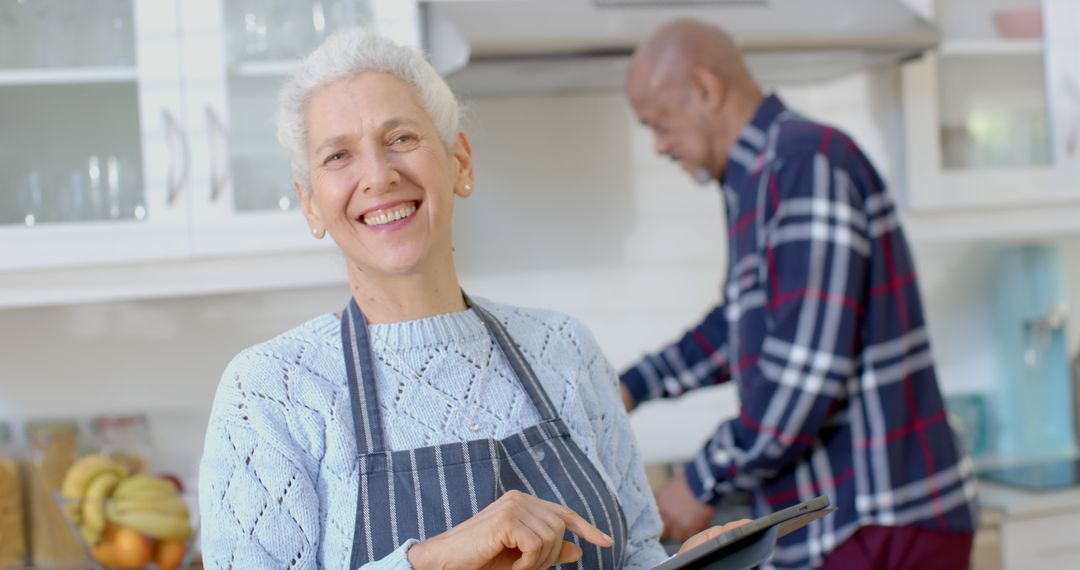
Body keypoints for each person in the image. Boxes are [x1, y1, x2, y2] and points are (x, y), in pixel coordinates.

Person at [198, 28, 748, 570]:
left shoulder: (565, 349)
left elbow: (633, 554)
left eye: (401, 139)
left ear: (459, 162)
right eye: (338, 156)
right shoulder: (272, 394)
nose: (378, 175)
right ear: (311, 204)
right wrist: (432, 562)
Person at [618, 19, 980, 570]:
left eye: (659, 124)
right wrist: (627, 388)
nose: (660, 146)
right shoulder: (761, 177)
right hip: (853, 523)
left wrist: (701, 482)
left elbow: (802, 376)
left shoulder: (805, 163)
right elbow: (740, 325)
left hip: (880, 519)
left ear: (705, 90)